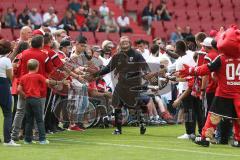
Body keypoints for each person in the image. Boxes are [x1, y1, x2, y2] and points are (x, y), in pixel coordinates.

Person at [179, 26, 240, 147]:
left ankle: (205, 138)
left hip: (223, 93)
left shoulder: (221, 58)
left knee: (213, 116)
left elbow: (205, 69)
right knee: (237, 118)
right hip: (238, 93)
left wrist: (190, 70)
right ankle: (238, 139)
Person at [86, 36, 153, 135]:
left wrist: (148, 76)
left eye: (126, 41)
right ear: (120, 44)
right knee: (117, 106)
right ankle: (118, 129)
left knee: (134, 106)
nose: (124, 43)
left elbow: (145, 67)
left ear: (130, 43)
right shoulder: (117, 56)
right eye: (122, 42)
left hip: (133, 84)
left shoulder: (136, 54)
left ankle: (142, 121)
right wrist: (95, 75)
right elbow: (108, 68)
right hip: (121, 84)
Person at [18, 59, 69, 144]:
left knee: (28, 120)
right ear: (37, 67)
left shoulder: (23, 77)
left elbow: (19, 89)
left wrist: (25, 95)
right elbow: (49, 82)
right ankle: (42, 139)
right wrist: (61, 82)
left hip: (28, 100)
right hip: (36, 99)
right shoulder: (38, 76)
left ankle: (27, 139)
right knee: (39, 120)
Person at [0, 40, 20, 146]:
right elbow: (10, 76)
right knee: (8, 114)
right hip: (3, 86)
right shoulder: (6, 60)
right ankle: (7, 140)